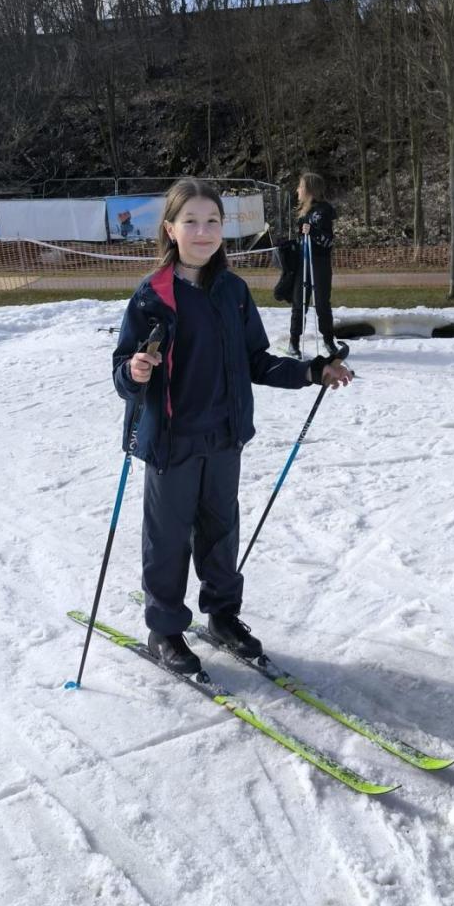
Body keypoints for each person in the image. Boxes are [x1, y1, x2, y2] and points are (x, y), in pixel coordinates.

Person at [112, 178, 353, 676]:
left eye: (213, 222)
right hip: (172, 442)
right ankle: (165, 630)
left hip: (224, 438)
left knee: (221, 533)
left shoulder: (233, 291)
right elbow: (123, 370)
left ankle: (223, 617)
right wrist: (134, 371)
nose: (203, 232)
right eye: (192, 222)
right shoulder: (153, 294)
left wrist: (312, 371)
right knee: (169, 537)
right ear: (171, 229)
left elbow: (257, 362)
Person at [288, 172, 338, 359]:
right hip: (303, 262)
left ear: (309, 189)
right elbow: (301, 238)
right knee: (299, 302)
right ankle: (294, 341)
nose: (297, 190)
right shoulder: (303, 211)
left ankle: (328, 340)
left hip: (320, 263)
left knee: (322, 302)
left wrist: (314, 232)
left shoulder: (323, 211)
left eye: (300, 187)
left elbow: (328, 241)